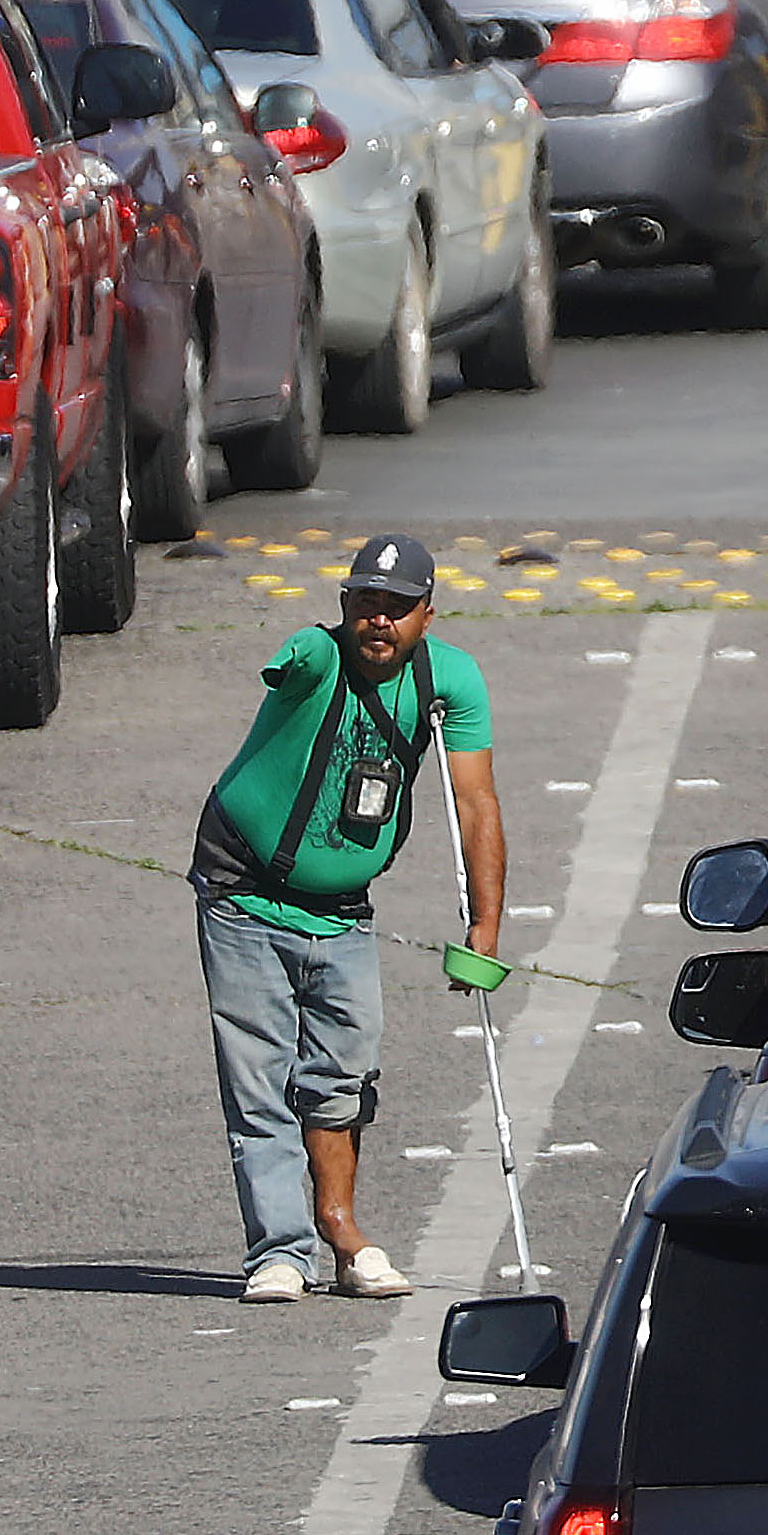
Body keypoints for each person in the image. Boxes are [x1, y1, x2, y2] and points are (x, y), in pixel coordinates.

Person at [190, 529, 510, 1303]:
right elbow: (292, 658)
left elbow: (475, 801)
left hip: (341, 910)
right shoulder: (318, 655)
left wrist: (485, 926)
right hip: (243, 890)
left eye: (396, 608)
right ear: (345, 606)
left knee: (342, 1073)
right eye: (365, 603)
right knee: (258, 1077)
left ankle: (340, 1226)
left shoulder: (451, 682)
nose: (378, 620)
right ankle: (279, 1251)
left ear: (426, 614)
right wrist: (298, 655)